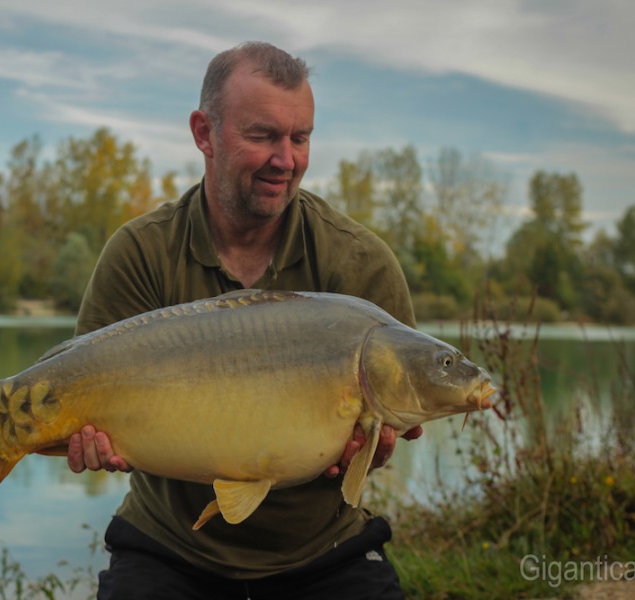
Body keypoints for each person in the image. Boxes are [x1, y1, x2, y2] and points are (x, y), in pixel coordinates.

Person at [68, 41, 422, 599]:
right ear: (204, 134)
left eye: (300, 138)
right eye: (262, 136)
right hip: (169, 546)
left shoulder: (359, 262)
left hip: (322, 549)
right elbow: (81, 396)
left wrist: (373, 450)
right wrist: (84, 438)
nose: (286, 159)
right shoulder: (140, 253)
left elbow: (378, 442)